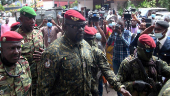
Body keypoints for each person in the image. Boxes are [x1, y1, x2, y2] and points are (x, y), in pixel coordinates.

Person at [84, 26, 131, 96]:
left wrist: (119, 87)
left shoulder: (96, 52)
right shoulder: (68, 50)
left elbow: (107, 70)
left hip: (92, 90)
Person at [15, 6, 44, 95]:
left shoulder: (38, 33)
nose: (33, 21)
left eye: (34, 18)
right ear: (21, 19)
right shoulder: (15, 37)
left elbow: (44, 49)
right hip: (23, 80)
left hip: (40, 78)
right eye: (29, 19)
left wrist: (44, 54)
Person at [0, 31, 32, 95]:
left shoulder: (24, 63)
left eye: (18, 47)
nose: (16, 52)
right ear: (1, 50)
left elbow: (29, 90)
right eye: (12, 48)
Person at [107, 19, 131, 96]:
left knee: (125, 80)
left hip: (124, 60)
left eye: (121, 25)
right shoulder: (115, 33)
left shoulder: (127, 33)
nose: (119, 27)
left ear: (124, 26)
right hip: (116, 60)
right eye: (118, 25)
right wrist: (113, 33)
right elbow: (108, 43)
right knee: (117, 80)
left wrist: (120, 34)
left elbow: (127, 44)